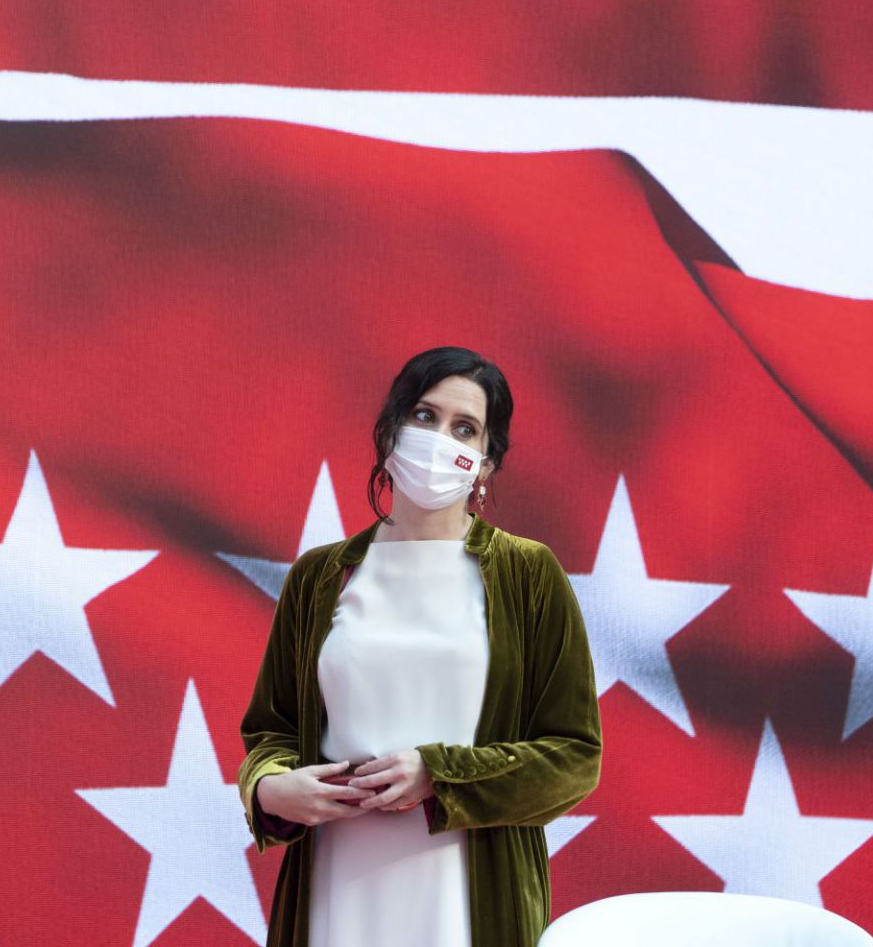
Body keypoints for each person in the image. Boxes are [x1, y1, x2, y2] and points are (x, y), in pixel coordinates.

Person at [237, 345, 603, 947]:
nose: (438, 439)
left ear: (484, 465)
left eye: (465, 428)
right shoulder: (319, 576)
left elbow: (574, 758)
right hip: (336, 889)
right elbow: (271, 732)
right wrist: (271, 788)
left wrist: (440, 775)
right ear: (390, 432)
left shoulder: (528, 575)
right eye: (425, 416)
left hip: (468, 901)